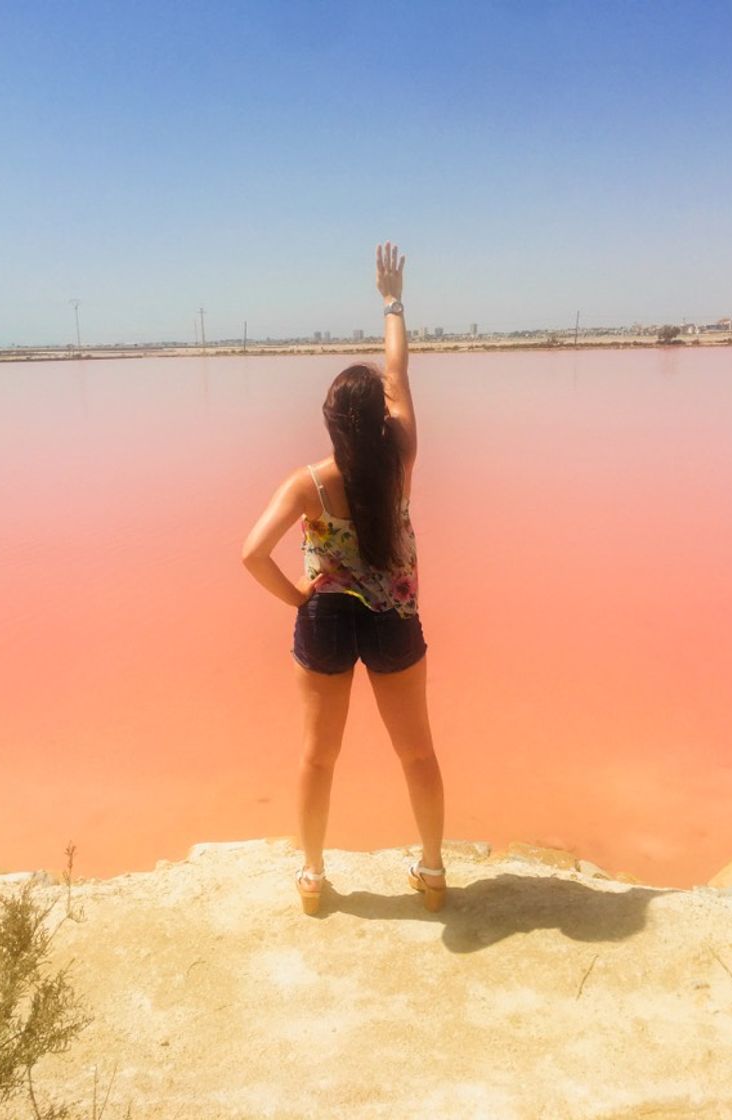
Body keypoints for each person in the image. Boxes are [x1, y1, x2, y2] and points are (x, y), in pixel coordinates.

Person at [241, 242, 446, 915]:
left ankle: (310, 876)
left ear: (329, 424)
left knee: (317, 757)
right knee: (416, 754)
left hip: (324, 619)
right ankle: (432, 870)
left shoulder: (306, 484)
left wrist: (298, 596)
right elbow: (397, 373)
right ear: (383, 424)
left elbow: (250, 553)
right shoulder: (401, 459)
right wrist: (391, 302)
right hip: (394, 617)